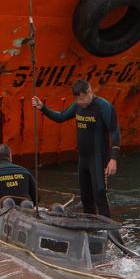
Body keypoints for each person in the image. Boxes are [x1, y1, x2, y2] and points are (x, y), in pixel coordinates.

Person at [31, 80, 120, 219]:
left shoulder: (103, 106)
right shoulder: (77, 106)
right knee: (85, 196)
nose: (79, 102)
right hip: (83, 159)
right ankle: (90, 227)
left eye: (82, 98)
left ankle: (107, 230)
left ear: (89, 92)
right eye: (77, 99)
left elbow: (114, 131)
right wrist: (42, 107)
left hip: (98, 158)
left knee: (99, 194)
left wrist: (113, 158)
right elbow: (60, 117)